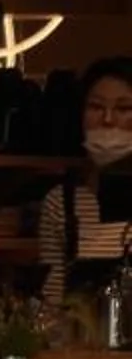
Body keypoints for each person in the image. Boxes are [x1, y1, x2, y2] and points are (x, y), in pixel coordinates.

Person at [38, 58, 132, 313]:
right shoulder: (62, 202)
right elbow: (53, 300)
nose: (108, 119)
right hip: (83, 336)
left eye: (124, 108)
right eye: (96, 107)